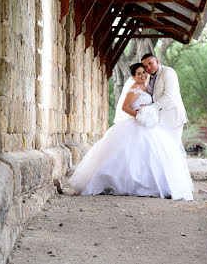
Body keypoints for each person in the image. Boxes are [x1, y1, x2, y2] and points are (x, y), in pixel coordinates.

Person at [69, 63, 193, 201]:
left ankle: (151, 184)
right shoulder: (135, 88)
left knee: (151, 155)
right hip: (136, 123)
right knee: (129, 155)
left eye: (144, 72)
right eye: (139, 73)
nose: (142, 75)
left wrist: (147, 114)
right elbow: (125, 107)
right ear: (133, 76)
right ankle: (123, 182)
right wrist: (139, 115)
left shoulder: (146, 88)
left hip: (149, 125)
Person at [141, 53, 188, 140]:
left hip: (173, 118)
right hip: (158, 119)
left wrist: (149, 108)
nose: (148, 67)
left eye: (150, 63)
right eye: (145, 66)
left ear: (157, 61)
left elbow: (169, 96)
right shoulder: (148, 77)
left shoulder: (168, 72)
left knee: (173, 148)